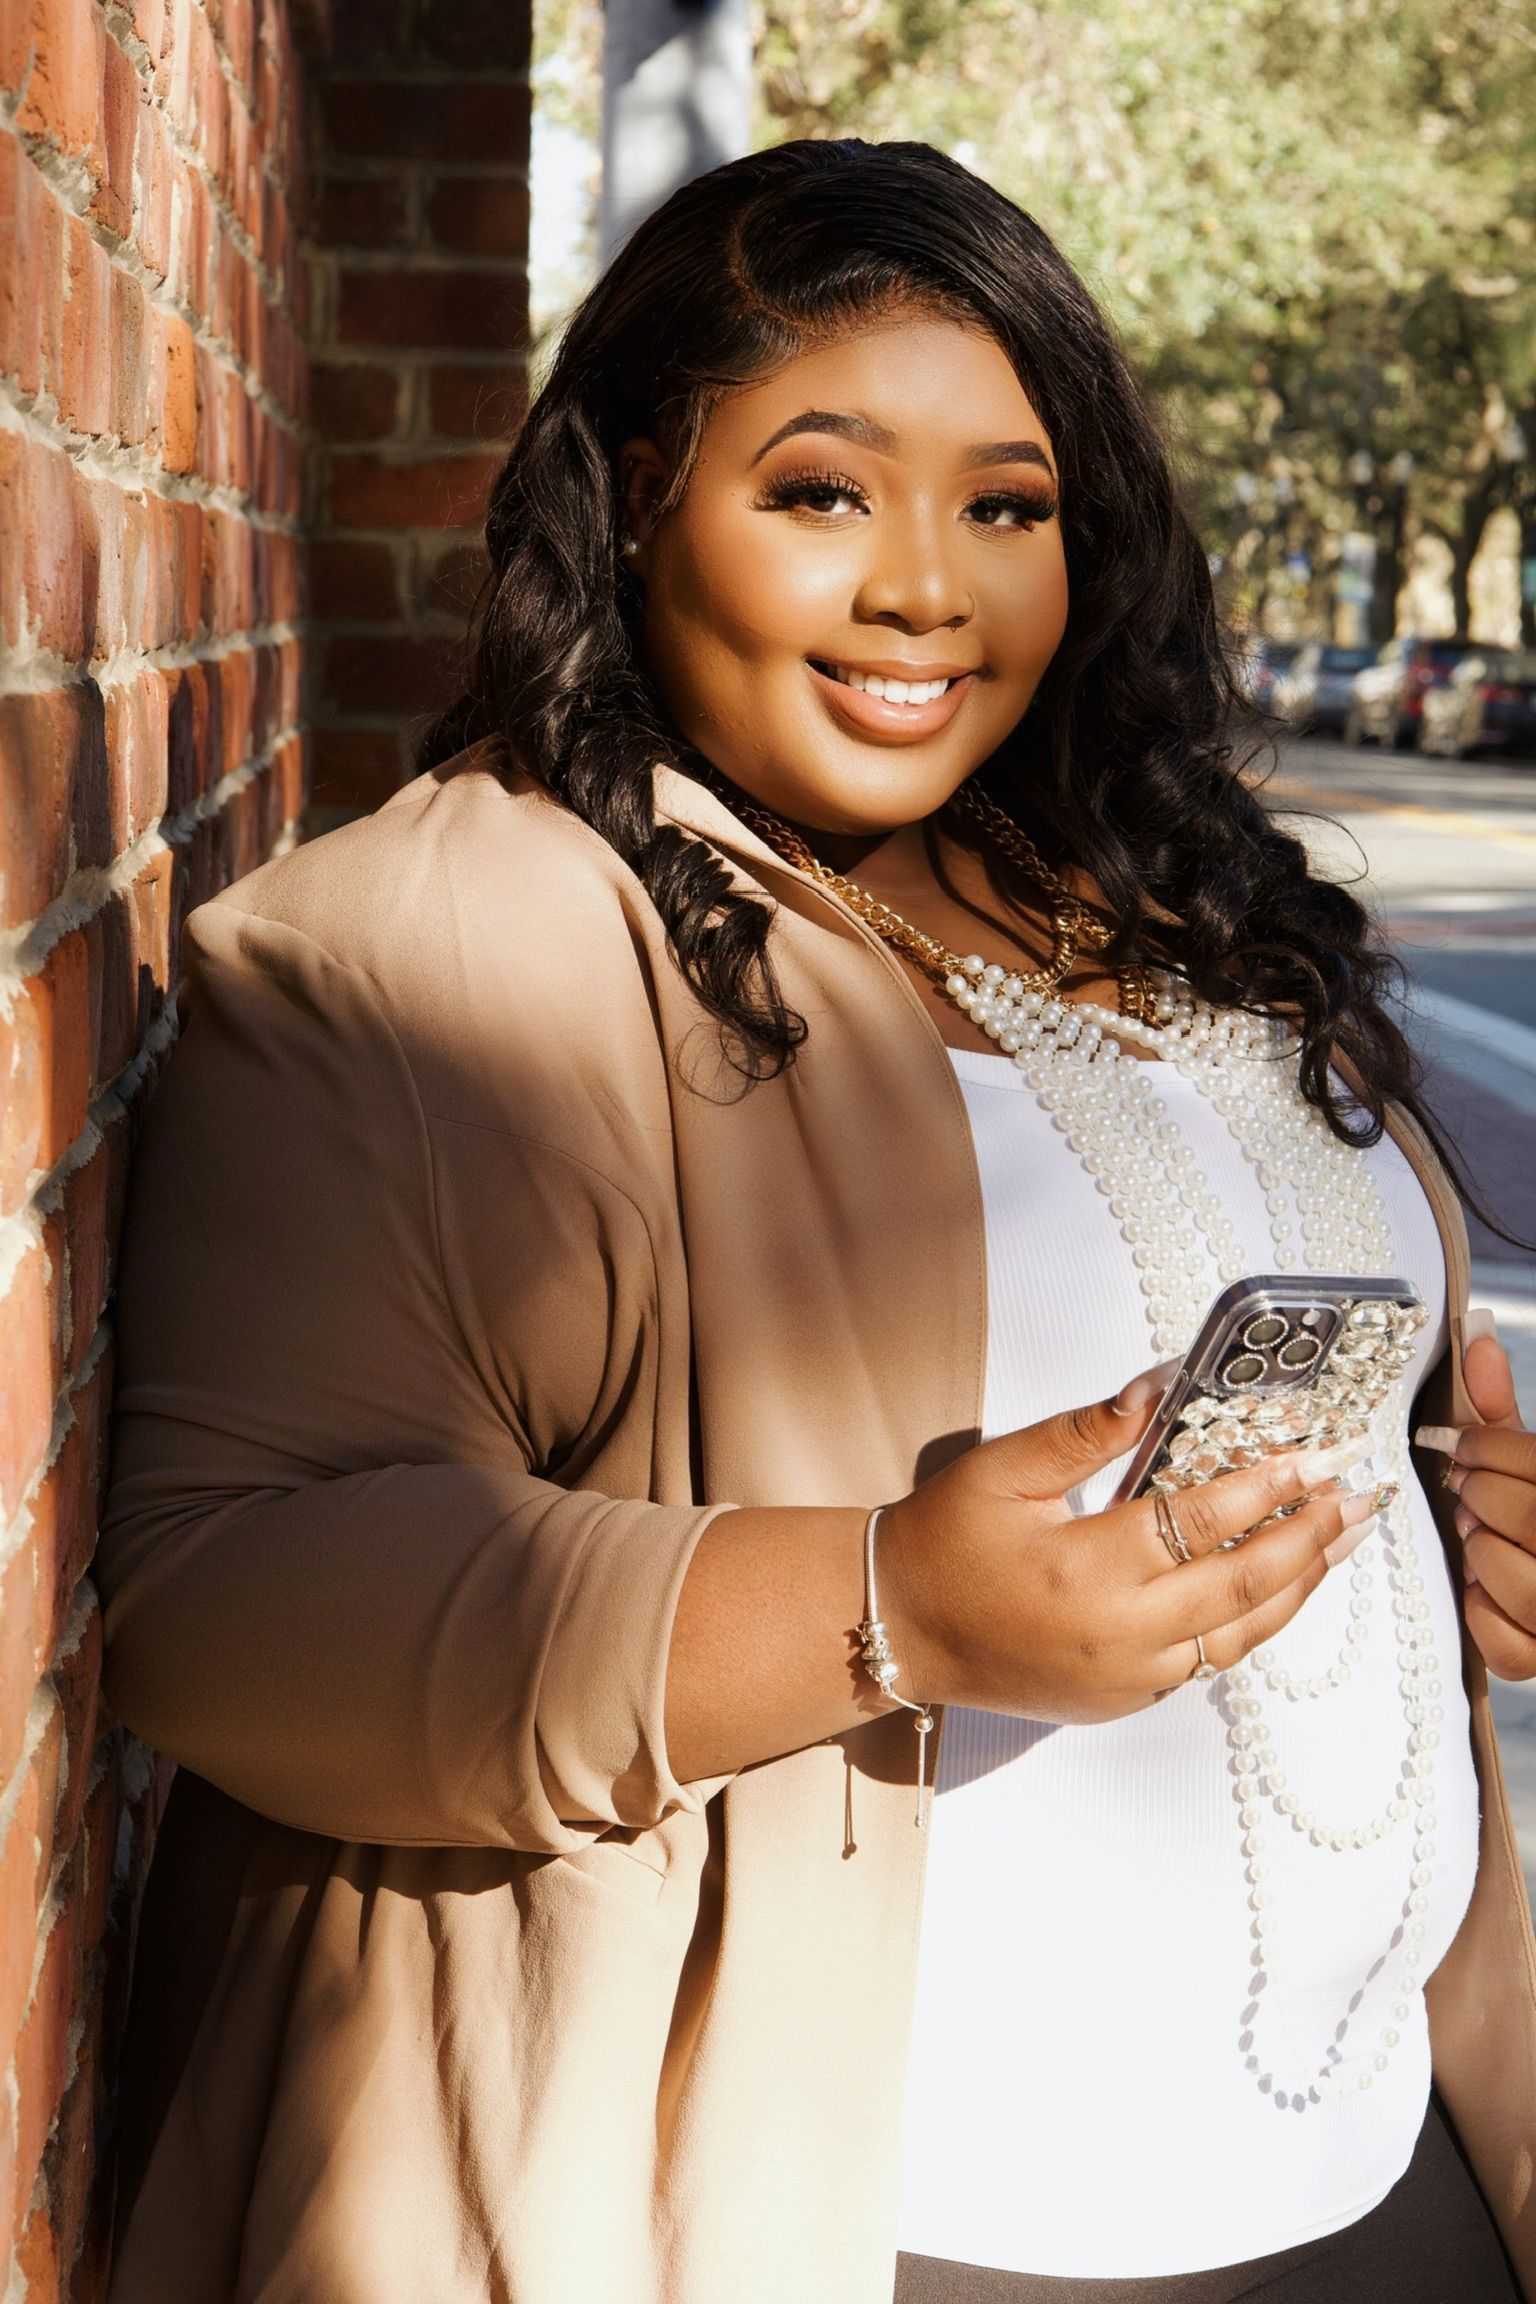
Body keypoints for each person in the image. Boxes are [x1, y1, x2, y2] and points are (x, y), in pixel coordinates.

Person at [97, 140, 1536, 2304]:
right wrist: (889, 1609)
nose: (924, 590)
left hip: (1383, 2158)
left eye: (1007, 506)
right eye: (821, 492)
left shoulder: (1163, 908)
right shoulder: (455, 941)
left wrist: (1454, 1538)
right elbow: (223, 1595)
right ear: (637, 500)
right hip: (889, 2224)